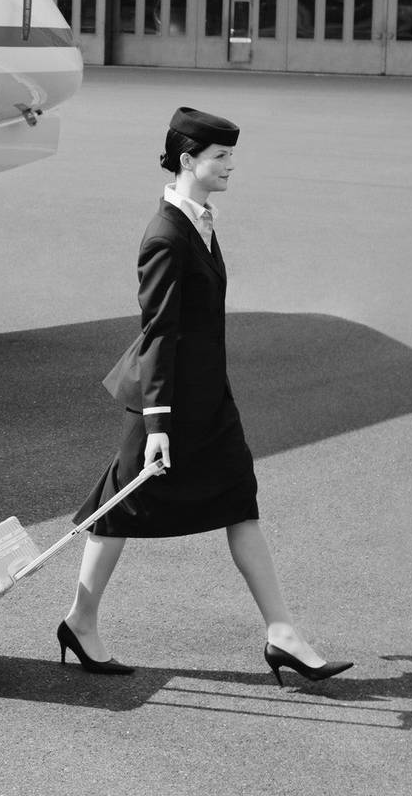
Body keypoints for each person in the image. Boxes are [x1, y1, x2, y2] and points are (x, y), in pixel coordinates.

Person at [56, 106, 351, 687]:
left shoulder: (199, 220)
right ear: (188, 160)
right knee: (120, 508)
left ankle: (281, 633)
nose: (230, 167)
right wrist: (159, 423)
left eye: (231, 157)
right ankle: (80, 620)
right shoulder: (166, 235)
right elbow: (160, 330)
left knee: (239, 498)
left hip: (207, 398)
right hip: (167, 403)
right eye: (221, 158)